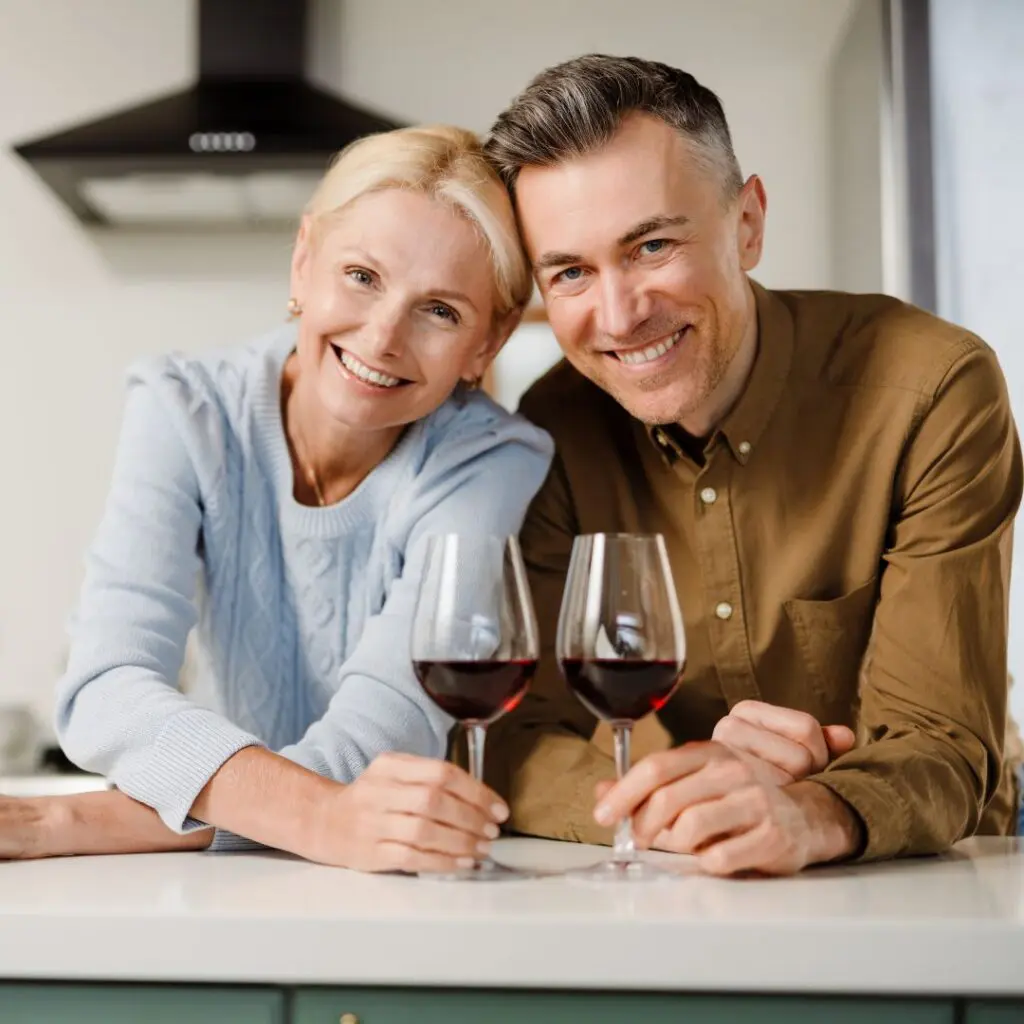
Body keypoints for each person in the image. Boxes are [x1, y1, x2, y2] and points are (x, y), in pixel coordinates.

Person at [482, 54, 1023, 874]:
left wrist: (806, 811)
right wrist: (683, 807)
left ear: (748, 224)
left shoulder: (931, 390)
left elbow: (941, 740)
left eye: (653, 245)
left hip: (954, 864)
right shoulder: (555, 428)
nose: (620, 315)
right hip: (721, 868)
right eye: (570, 273)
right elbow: (515, 737)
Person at [2, 125, 553, 872]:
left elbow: (372, 750)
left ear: (486, 347)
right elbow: (106, 686)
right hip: (234, 880)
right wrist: (325, 818)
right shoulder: (184, 407)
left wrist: (72, 818)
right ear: (304, 262)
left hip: (402, 884)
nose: (383, 335)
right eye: (362, 275)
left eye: (442, 311)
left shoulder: (490, 460)